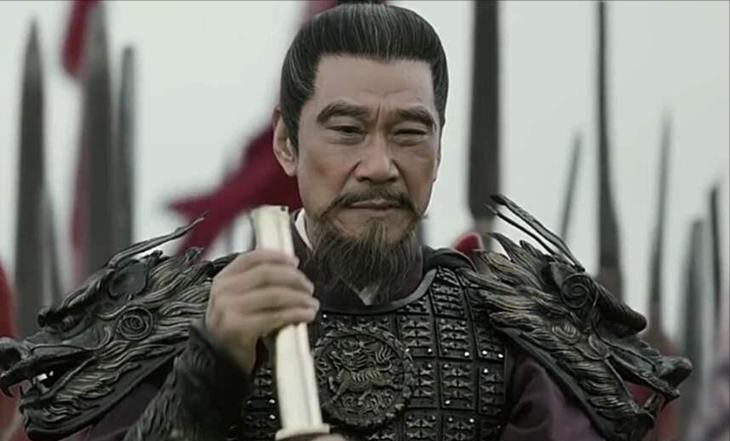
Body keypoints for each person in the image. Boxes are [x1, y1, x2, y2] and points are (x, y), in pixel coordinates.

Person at [72, 3, 684, 441]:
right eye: (347, 130)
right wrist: (210, 363)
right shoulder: (184, 319)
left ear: (439, 149)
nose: (379, 166)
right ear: (286, 142)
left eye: (410, 133)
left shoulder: (521, 329)